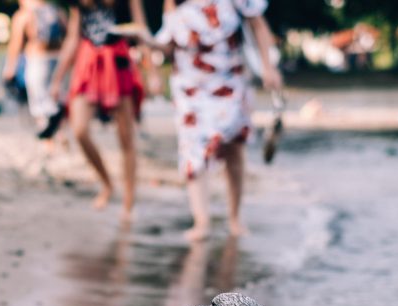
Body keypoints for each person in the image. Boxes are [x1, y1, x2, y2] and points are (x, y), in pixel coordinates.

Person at [155, 0, 281, 241]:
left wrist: (268, 67)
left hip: (229, 81)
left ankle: (235, 217)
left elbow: (258, 25)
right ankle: (201, 221)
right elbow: (167, 44)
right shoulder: (174, 3)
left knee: (233, 148)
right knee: (194, 152)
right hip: (190, 88)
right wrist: (145, 41)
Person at [49, 0, 158, 218]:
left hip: (117, 60)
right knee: (79, 129)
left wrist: (152, 72)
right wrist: (57, 78)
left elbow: (141, 30)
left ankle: (129, 204)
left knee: (126, 139)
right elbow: (73, 38)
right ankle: (107, 182)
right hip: (89, 61)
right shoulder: (81, 4)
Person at [3, 0, 67, 142]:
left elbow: (16, 43)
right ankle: (61, 135)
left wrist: (10, 67)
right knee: (55, 100)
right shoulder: (55, 9)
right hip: (59, 57)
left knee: (39, 103)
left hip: (38, 59)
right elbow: (68, 33)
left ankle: (48, 142)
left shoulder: (24, 14)